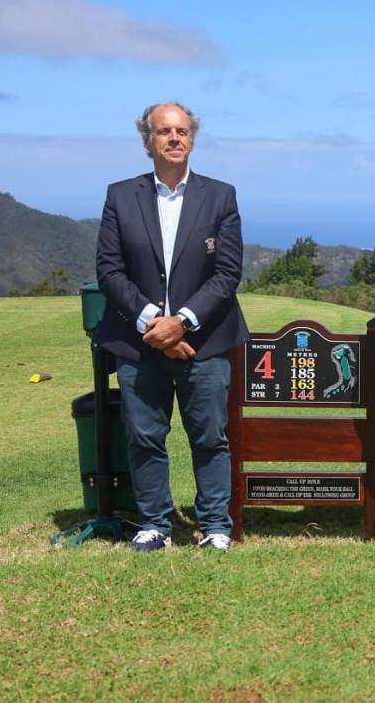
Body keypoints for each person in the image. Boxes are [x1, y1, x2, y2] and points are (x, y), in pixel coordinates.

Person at [95, 102, 248, 551]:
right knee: (144, 436)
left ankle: (215, 527)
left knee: (209, 435)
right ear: (148, 140)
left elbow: (227, 272)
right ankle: (155, 524)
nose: (174, 138)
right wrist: (153, 325)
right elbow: (109, 269)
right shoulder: (121, 195)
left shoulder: (220, 196)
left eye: (182, 131)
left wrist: (180, 324)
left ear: (192, 139)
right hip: (138, 342)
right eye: (164, 131)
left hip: (206, 341)